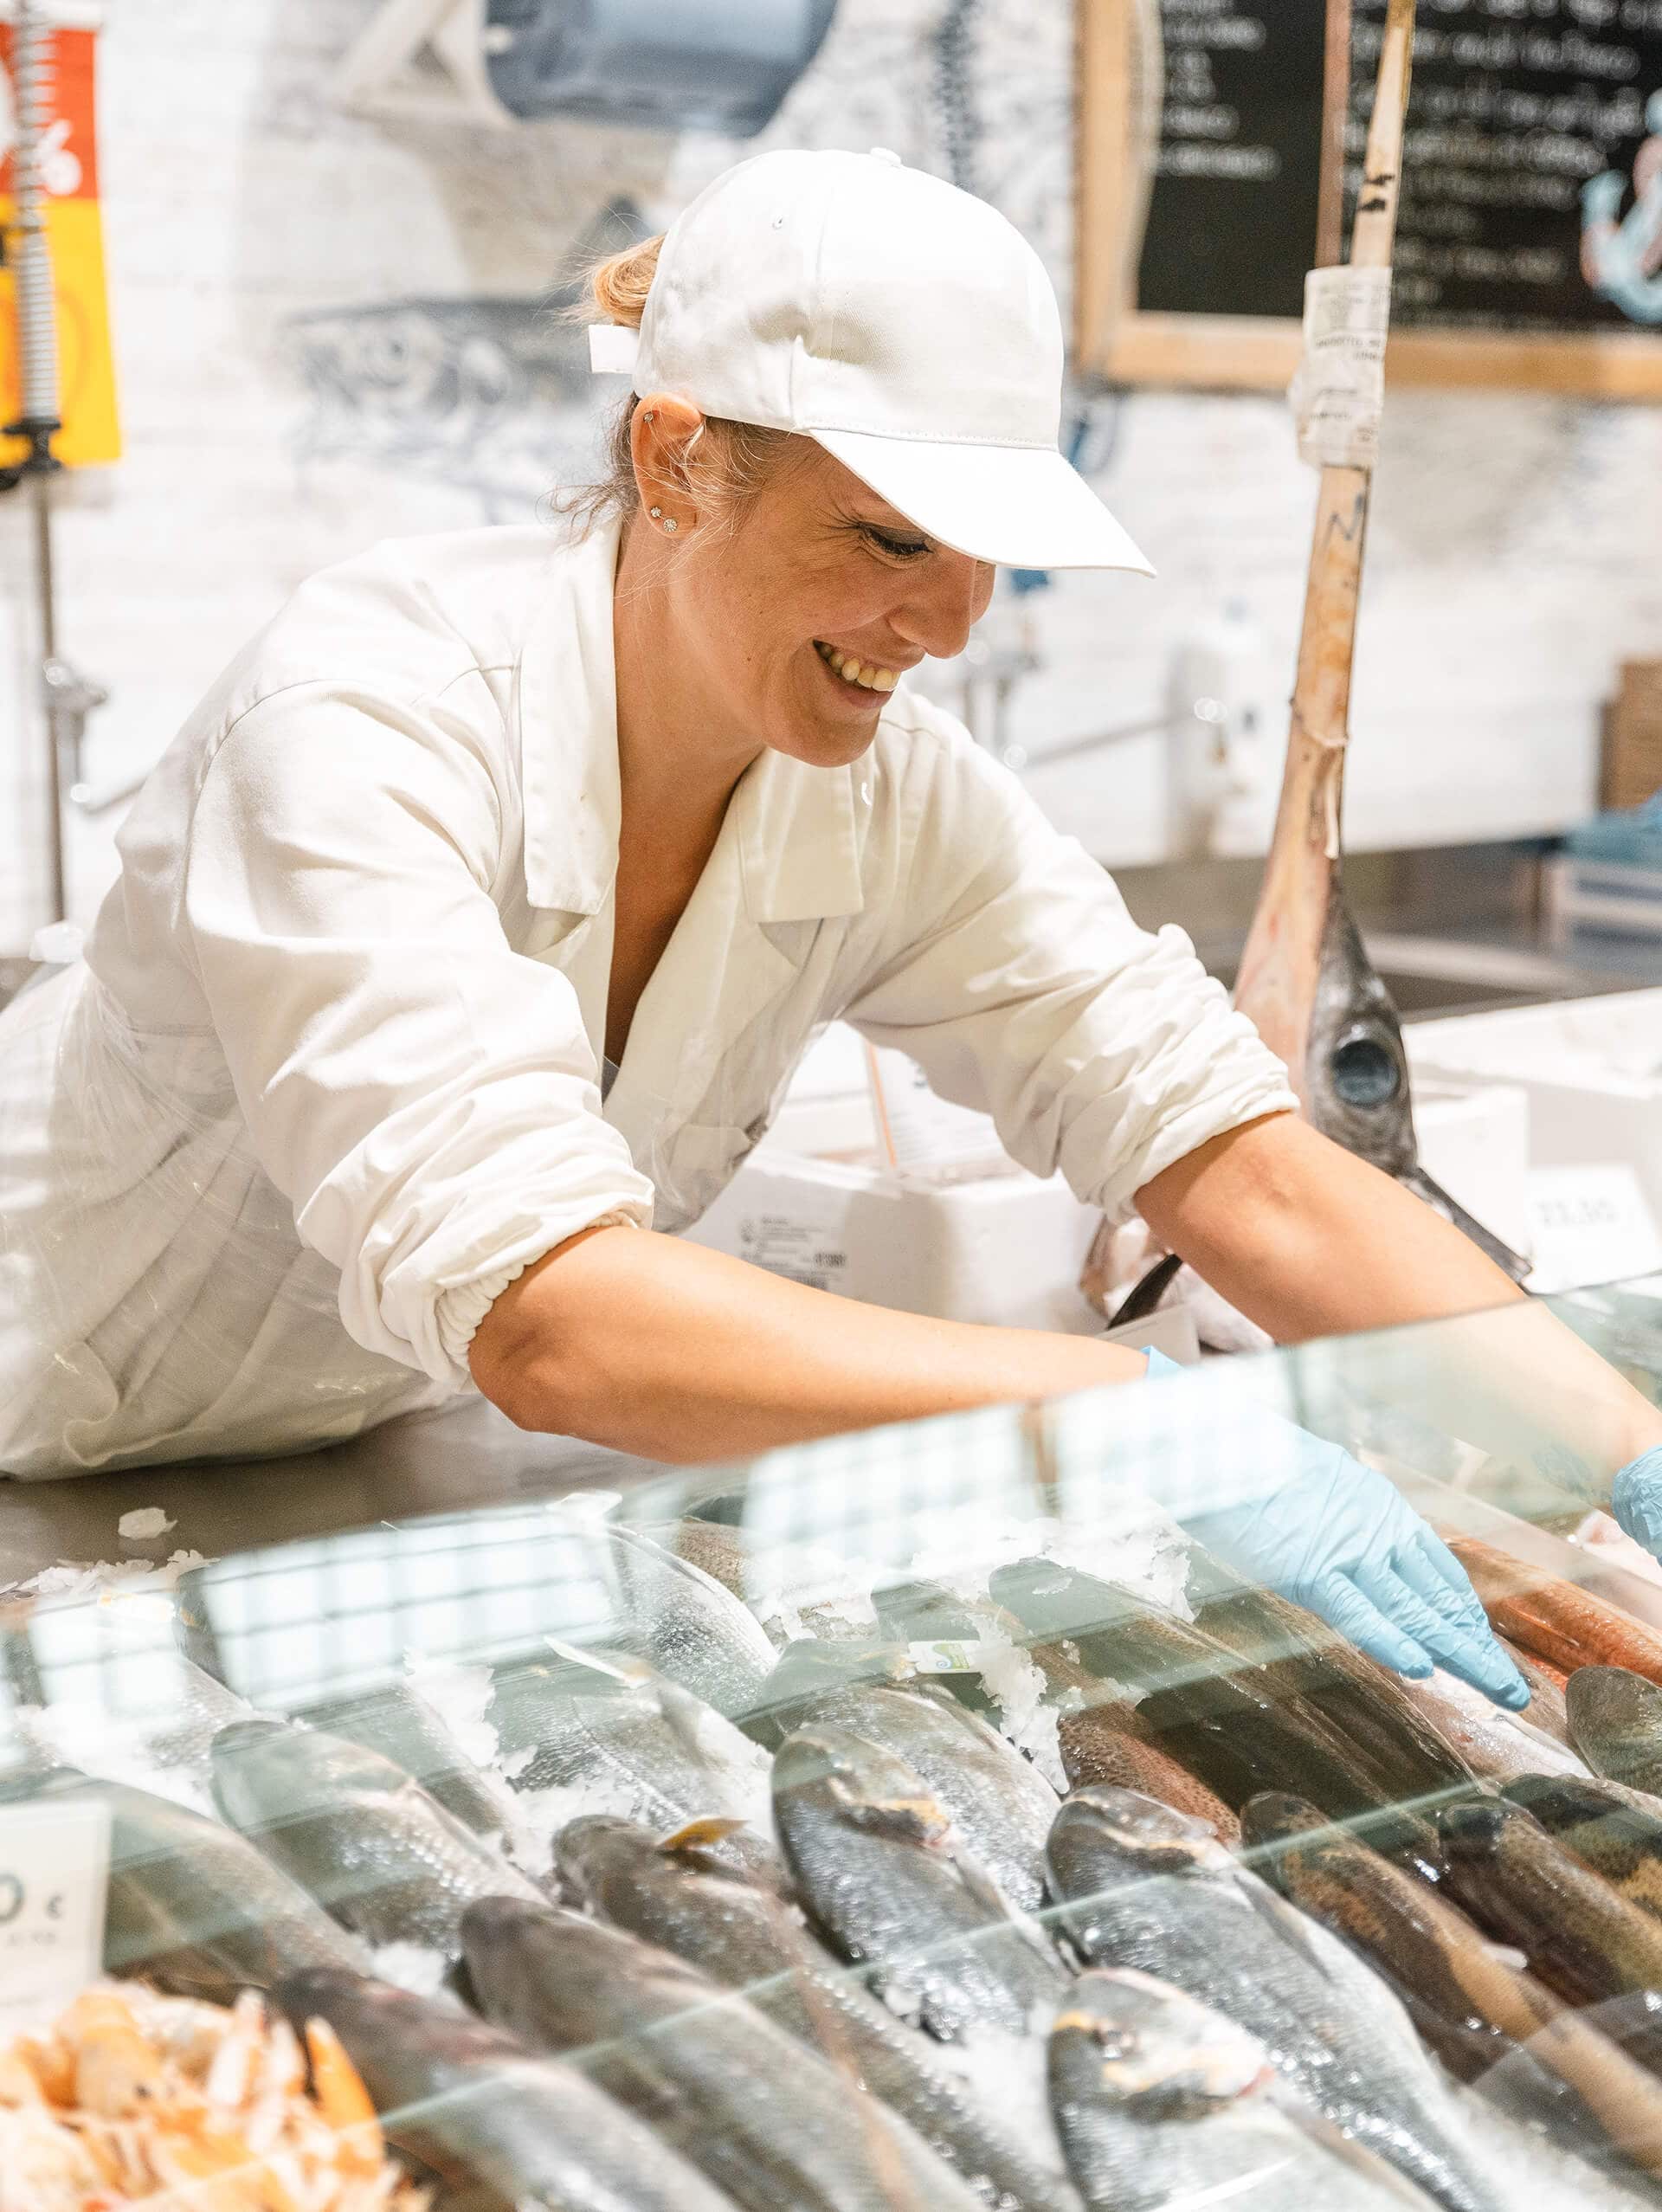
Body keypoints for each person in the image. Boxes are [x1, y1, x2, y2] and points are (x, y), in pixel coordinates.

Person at [3, 149, 1658, 1706]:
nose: (945, 622)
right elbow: (552, 1319)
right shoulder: (364, 718)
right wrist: (1135, 1426)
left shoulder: (884, 792)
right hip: (36, 1447)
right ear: (674, 462)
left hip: (330, 1453)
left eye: (983, 553)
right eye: (887, 538)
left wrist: (1620, 1448)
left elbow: (1233, 1154)